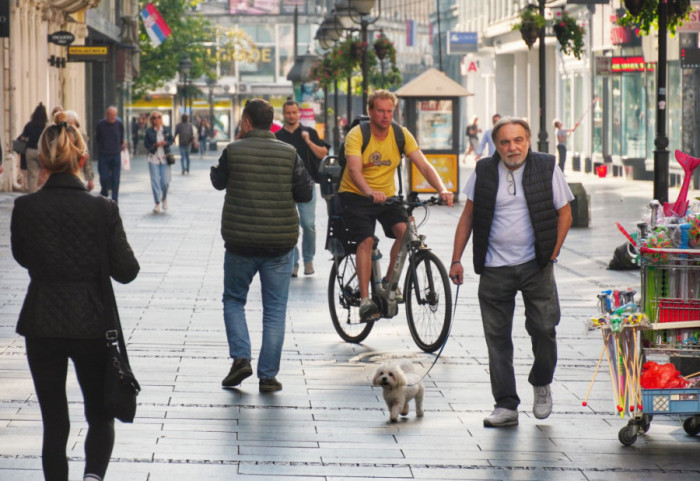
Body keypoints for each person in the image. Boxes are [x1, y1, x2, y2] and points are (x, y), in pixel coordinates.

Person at [10, 112, 140, 481]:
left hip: (42, 321)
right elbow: (127, 271)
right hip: (92, 322)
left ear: (44, 161)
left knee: (54, 420)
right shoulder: (102, 209)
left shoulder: (25, 207)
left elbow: (23, 256)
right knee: (99, 414)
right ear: (83, 160)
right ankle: (92, 477)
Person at [448, 117, 574, 428]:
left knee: (544, 328)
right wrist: (456, 259)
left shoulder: (546, 167)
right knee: (497, 339)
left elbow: (565, 213)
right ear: (497, 145)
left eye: (518, 140)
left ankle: (541, 381)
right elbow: (468, 216)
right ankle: (505, 404)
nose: (512, 147)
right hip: (494, 267)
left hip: (536, 264)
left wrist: (553, 252)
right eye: (505, 142)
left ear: (528, 141)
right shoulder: (484, 170)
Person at [210, 98, 313, 393]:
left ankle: (241, 357)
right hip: (279, 244)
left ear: (246, 122)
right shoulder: (289, 152)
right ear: (273, 122)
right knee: (275, 309)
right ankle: (267, 375)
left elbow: (218, 181)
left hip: (240, 243)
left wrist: (235, 145)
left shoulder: (234, 150)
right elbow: (305, 193)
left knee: (233, 299)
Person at [337, 90, 454, 322]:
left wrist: (442, 188)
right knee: (366, 241)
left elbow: (424, 165)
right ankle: (365, 300)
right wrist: (369, 192)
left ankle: (388, 284)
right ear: (370, 111)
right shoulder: (357, 134)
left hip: (387, 197)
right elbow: (353, 170)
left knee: (406, 233)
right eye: (380, 111)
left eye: (389, 111)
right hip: (356, 195)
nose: (385, 116)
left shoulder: (400, 134)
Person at [275, 99, 330, 277]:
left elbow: (323, 153)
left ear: (299, 113)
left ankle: (308, 260)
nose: (291, 116)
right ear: (283, 114)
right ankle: (294, 262)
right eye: (288, 113)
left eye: (294, 112)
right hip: (285, 186)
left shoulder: (308, 132)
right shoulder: (278, 137)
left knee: (308, 224)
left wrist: (308, 142)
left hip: (306, 185)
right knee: (289, 226)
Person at [143, 111, 174, 214]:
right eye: (155, 118)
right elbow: (146, 144)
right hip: (153, 158)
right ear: (152, 120)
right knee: (155, 181)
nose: (157, 119)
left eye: (159, 117)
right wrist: (154, 145)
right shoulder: (149, 131)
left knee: (165, 181)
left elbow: (171, 139)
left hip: (165, 158)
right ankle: (157, 203)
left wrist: (166, 143)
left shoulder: (166, 129)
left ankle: (164, 197)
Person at [95, 106, 127, 203]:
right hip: (104, 154)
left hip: (116, 154)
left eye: (114, 115)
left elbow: (121, 136)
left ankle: (114, 199)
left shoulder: (119, 124)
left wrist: (122, 144)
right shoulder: (101, 124)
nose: (112, 117)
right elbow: (98, 138)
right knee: (104, 177)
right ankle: (105, 191)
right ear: (106, 115)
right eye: (110, 115)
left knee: (116, 178)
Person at [17, 102, 49, 193]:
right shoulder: (46, 126)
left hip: (30, 151)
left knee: (32, 175)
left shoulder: (29, 125)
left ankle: (33, 195)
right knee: (45, 174)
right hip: (43, 152)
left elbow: (23, 138)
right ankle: (44, 194)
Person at [63, 110, 95, 191]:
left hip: (79, 175)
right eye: (68, 125)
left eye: (73, 124)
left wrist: (90, 179)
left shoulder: (82, 137)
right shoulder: (60, 138)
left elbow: (86, 159)